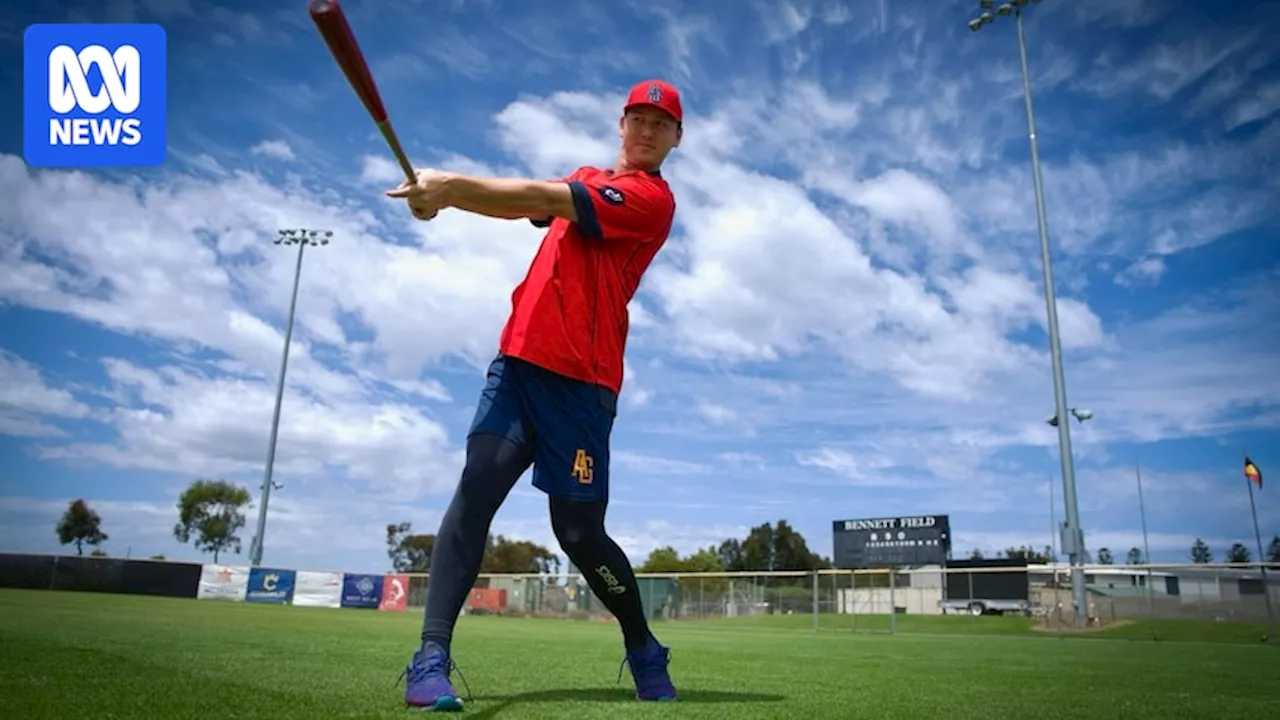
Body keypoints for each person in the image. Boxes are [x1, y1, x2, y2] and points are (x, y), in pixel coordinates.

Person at [384, 78, 685, 712]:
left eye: (662, 124)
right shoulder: (585, 177)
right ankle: (430, 657)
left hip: (583, 383)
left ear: (675, 140)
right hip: (519, 364)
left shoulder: (648, 200)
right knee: (475, 491)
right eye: (639, 118)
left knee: (577, 533)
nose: (648, 130)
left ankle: (641, 644)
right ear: (622, 124)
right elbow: (526, 204)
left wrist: (450, 190)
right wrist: (435, 203)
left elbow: (541, 196)